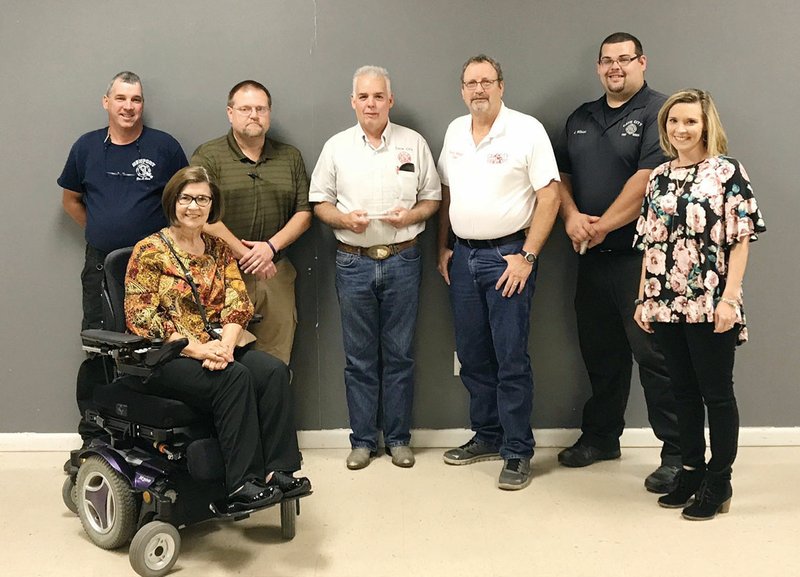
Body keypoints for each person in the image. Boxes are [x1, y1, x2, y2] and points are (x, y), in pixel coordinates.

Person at [124, 166, 311, 513]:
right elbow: (142, 318)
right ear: (173, 202)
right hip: (168, 357)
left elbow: (238, 303)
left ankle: (279, 471)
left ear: (212, 205)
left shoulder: (218, 249)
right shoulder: (149, 251)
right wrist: (197, 349)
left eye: (202, 199)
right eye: (186, 198)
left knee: (271, 370)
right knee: (234, 376)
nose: (194, 206)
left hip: (217, 346)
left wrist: (225, 345)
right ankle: (242, 483)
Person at [555, 32, 682, 493]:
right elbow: (561, 179)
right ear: (598, 67)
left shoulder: (660, 112)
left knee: (655, 357)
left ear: (641, 62)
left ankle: (678, 454)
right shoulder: (580, 118)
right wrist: (571, 218)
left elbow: (647, 180)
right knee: (601, 353)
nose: (616, 68)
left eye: (624, 59)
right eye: (607, 60)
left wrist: (602, 224)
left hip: (642, 258)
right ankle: (602, 438)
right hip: (591, 257)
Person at [633, 89, 765, 520]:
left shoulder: (727, 171)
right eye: (673, 122)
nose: (681, 129)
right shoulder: (659, 177)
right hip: (666, 299)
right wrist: (643, 297)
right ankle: (690, 470)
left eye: (690, 121)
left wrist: (729, 299)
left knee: (716, 393)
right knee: (681, 390)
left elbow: (740, 241)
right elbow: (651, 241)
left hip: (711, 298)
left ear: (706, 124)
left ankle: (719, 482)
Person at [437, 55, 561, 490]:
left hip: (507, 257)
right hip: (464, 258)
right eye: (470, 83)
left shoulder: (526, 130)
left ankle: (517, 450)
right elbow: (447, 193)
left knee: (510, 358)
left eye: (486, 81)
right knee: (472, 357)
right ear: (462, 89)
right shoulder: (455, 131)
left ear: (501, 86)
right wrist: (444, 248)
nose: (478, 90)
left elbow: (550, 196)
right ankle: (487, 435)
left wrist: (527, 256)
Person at [309, 66, 441, 470]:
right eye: (363, 97)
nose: (371, 103)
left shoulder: (413, 143)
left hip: (404, 257)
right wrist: (345, 221)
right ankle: (363, 440)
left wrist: (412, 215)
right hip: (354, 262)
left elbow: (432, 200)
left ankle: (399, 439)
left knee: (400, 355)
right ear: (353, 101)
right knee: (359, 358)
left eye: (378, 96)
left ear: (390, 100)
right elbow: (319, 202)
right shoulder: (336, 147)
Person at [59, 71, 188, 444]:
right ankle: (95, 432)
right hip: (101, 264)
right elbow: (70, 199)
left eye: (136, 100)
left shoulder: (164, 147)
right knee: (100, 346)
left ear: (142, 104)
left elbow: (185, 200)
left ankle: (147, 433)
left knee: (154, 347)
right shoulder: (85, 147)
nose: (128, 107)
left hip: (155, 267)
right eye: (121, 99)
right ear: (106, 102)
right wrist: (101, 228)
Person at [191, 80, 311, 364]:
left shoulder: (290, 157)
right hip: (222, 275)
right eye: (245, 108)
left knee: (276, 362)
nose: (254, 115)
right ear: (230, 113)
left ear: (269, 114)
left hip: (275, 273)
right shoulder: (208, 156)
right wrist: (247, 255)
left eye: (261, 108)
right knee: (221, 360)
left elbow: (304, 212)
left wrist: (269, 248)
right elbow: (200, 215)